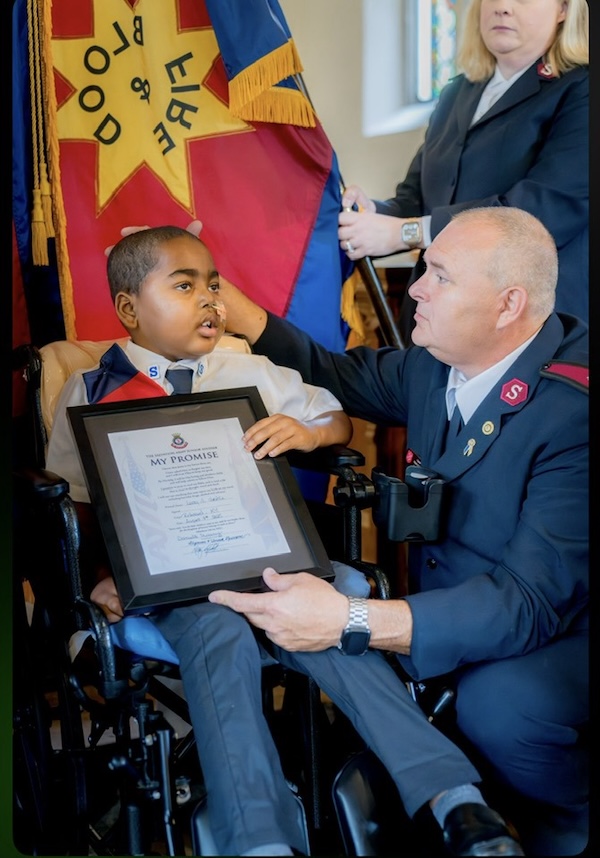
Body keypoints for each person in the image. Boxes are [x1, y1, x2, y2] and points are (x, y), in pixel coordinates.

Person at [208, 207, 589, 857]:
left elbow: (528, 602)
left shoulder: (573, 411)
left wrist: (350, 619)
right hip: (467, 613)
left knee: (501, 709)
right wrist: (232, 306)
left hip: (562, 624)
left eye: (439, 276)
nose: (415, 289)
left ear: (508, 305)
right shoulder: (437, 363)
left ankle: (568, 822)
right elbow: (330, 373)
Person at [45, 225, 357, 857]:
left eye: (214, 286)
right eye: (185, 287)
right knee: (219, 634)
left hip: (258, 563)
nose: (211, 300)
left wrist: (308, 433)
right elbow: (75, 502)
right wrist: (101, 574)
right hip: (166, 576)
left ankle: (327, 795)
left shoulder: (250, 369)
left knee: (339, 603)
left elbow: (336, 418)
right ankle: (255, 826)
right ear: (129, 308)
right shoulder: (93, 387)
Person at [338, 0, 589, 341]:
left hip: (519, 325)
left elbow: (542, 210)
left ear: (564, 10)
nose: (503, 7)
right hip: (433, 317)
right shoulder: (457, 92)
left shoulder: (581, 89)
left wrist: (403, 232)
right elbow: (415, 199)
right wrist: (372, 214)